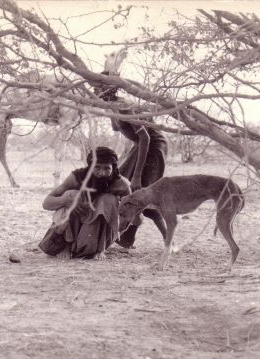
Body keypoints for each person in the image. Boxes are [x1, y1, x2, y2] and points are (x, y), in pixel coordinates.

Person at [95, 72, 168, 249]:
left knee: (142, 191)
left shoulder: (125, 105)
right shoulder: (114, 106)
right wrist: (108, 109)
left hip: (153, 145)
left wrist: (137, 174)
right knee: (125, 188)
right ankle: (127, 239)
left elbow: (145, 137)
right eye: (94, 88)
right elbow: (116, 128)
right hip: (140, 146)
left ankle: (168, 240)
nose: (95, 91)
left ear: (110, 88)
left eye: (99, 87)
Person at [39, 146, 131, 259]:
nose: (102, 173)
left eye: (107, 168)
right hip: (74, 228)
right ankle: (66, 247)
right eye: (97, 168)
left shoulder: (121, 184)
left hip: (97, 234)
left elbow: (133, 213)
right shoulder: (77, 177)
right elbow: (46, 203)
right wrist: (66, 201)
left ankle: (99, 249)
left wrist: (118, 228)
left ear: (114, 168)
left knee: (109, 200)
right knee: (71, 195)